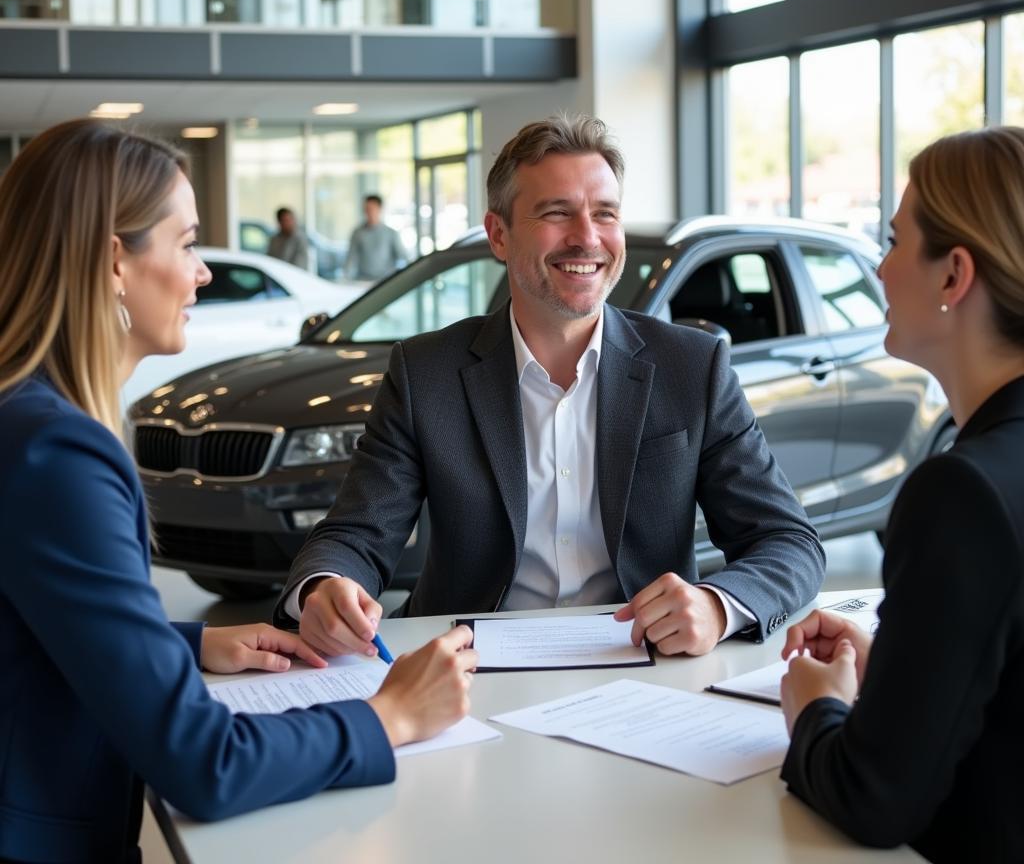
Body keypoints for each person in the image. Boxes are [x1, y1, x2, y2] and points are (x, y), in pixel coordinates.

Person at [0, 120, 477, 864]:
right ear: (112, 261)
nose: (203, 273)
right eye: (186, 244)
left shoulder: (24, 418)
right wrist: (389, 717)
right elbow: (203, 763)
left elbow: (34, 634)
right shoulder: (57, 452)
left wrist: (187, 645)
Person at [275, 114, 825, 660]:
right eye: (557, 213)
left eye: (604, 214)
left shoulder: (692, 367)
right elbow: (358, 532)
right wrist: (325, 589)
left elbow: (788, 542)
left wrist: (717, 604)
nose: (587, 237)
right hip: (466, 669)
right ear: (498, 235)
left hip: (646, 665)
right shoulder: (426, 373)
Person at [778, 126, 1024, 863]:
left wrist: (813, 708)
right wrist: (898, 664)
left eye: (892, 241)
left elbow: (874, 797)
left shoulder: (961, 493)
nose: (878, 269)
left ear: (954, 276)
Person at [345, 194, 407, 280]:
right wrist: (346, 278)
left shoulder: (391, 233)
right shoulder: (358, 233)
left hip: (385, 281)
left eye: (372, 209)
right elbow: (351, 258)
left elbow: (403, 257)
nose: (369, 212)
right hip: (363, 280)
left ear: (380, 209)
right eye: (366, 209)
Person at [267, 205, 312, 271]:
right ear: (279, 222)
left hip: (292, 277)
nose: (290, 223)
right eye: (285, 220)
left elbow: (299, 265)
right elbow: (270, 260)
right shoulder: (275, 239)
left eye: (291, 219)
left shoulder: (299, 239)